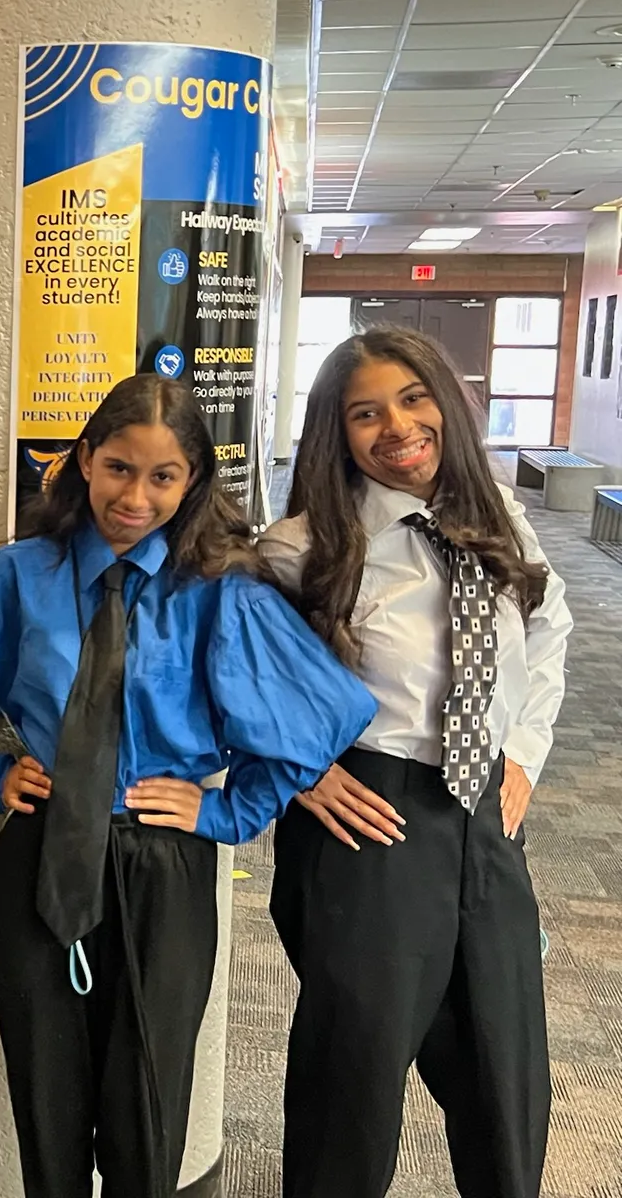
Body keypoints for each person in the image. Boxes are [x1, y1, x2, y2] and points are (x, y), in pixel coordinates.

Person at [0, 375, 377, 1198]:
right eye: (118, 468)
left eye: (162, 476)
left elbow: (313, 720)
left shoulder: (219, 592)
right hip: (41, 855)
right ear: (84, 461)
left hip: (162, 867)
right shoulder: (15, 579)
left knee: (149, 1102)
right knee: (45, 1099)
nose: (135, 496)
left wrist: (224, 808)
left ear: (191, 483)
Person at [259, 328, 572, 1198]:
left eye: (412, 398)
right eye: (366, 413)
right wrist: (301, 768)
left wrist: (526, 753)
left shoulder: (494, 515)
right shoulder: (302, 547)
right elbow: (225, 669)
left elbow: (549, 630)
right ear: (338, 431)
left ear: (445, 403)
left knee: (506, 1066)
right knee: (352, 1079)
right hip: (374, 816)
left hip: (483, 816)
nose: (396, 426)